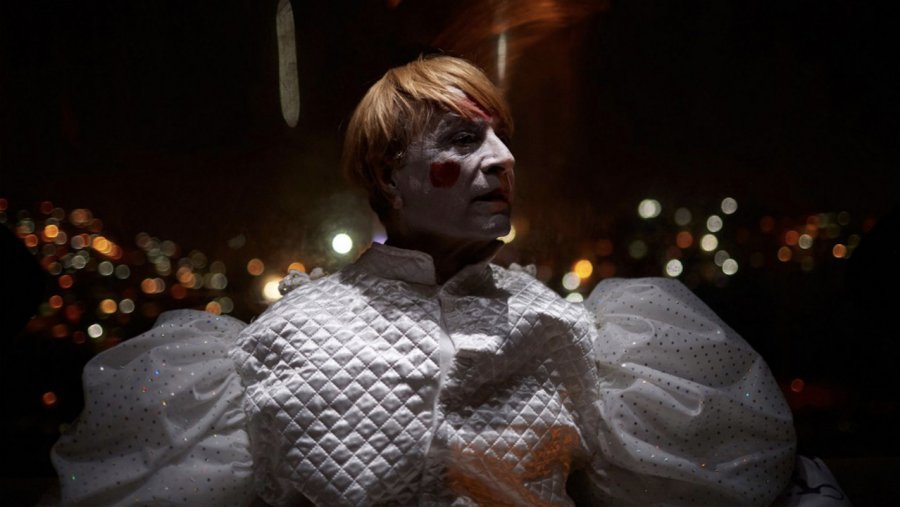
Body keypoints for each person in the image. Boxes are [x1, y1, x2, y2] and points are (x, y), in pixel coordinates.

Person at [53, 56, 806, 506]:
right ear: (388, 175)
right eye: (464, 139)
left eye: (502, 135)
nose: (503, 158)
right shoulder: (269, 347)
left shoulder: (574, 333)